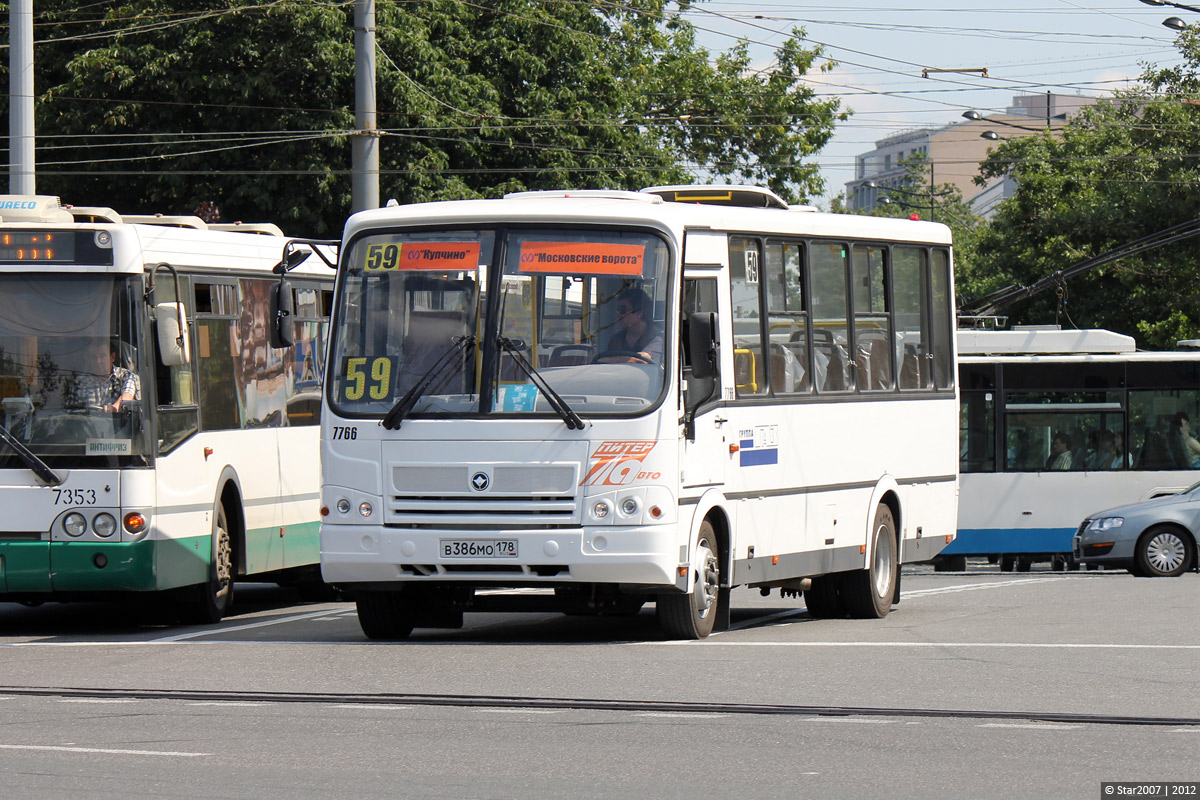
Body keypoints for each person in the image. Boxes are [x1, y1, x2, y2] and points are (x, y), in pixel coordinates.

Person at [599, 287, 663, 364]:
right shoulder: (616, 339)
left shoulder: (658, 338)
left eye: (623, 310)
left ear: (639, 313)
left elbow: (643, 361)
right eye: (618, 310)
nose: (618, 314)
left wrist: (602, 360)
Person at [73, 339, 139, 412]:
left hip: (119, 422)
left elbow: (128, 395)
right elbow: (71, 411)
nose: (98, 361)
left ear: (112, 357)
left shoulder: (125, 375)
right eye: (94, 357)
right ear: (88, 359)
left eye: (103, 356)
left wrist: (114, 408)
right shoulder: (79, 382)